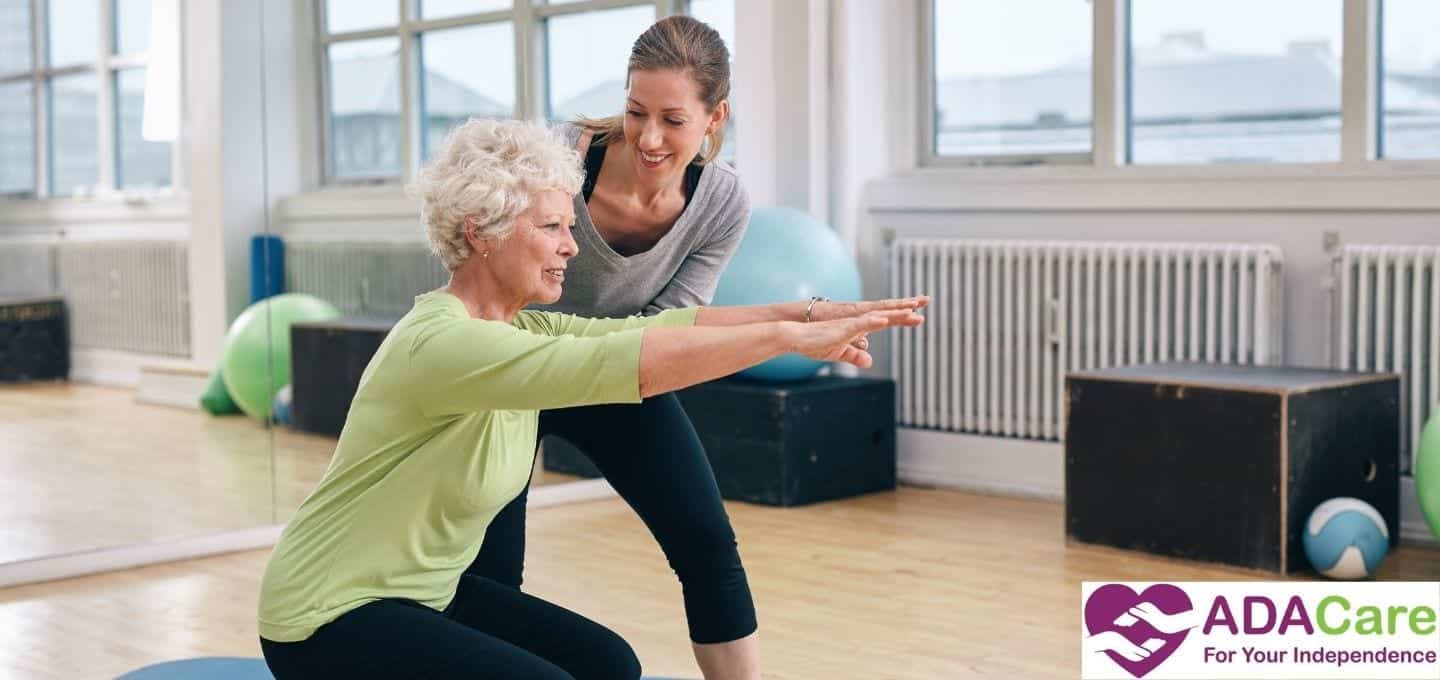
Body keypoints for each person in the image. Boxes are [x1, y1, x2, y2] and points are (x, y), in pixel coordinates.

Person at [256, 118, 928, 679]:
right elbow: (630, 362)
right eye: (551, 228)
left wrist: (804, 317)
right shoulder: (443, 344)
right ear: (480, 232)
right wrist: (784, 339)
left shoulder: (520, 324)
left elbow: (655, 329)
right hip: (329, 616)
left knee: (610, 666)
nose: (571, 248)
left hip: (422, 596)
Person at [471, 16, 863, 679]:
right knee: (491, 571)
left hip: (619, 370)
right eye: (635, 112)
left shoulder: (721, 203)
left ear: (715, 118)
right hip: (517, 371)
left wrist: (788, 326)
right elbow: (482, 268)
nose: (649, 138)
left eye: (673, 120)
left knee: (706, 542)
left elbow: (669, 328)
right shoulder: (558, 161)